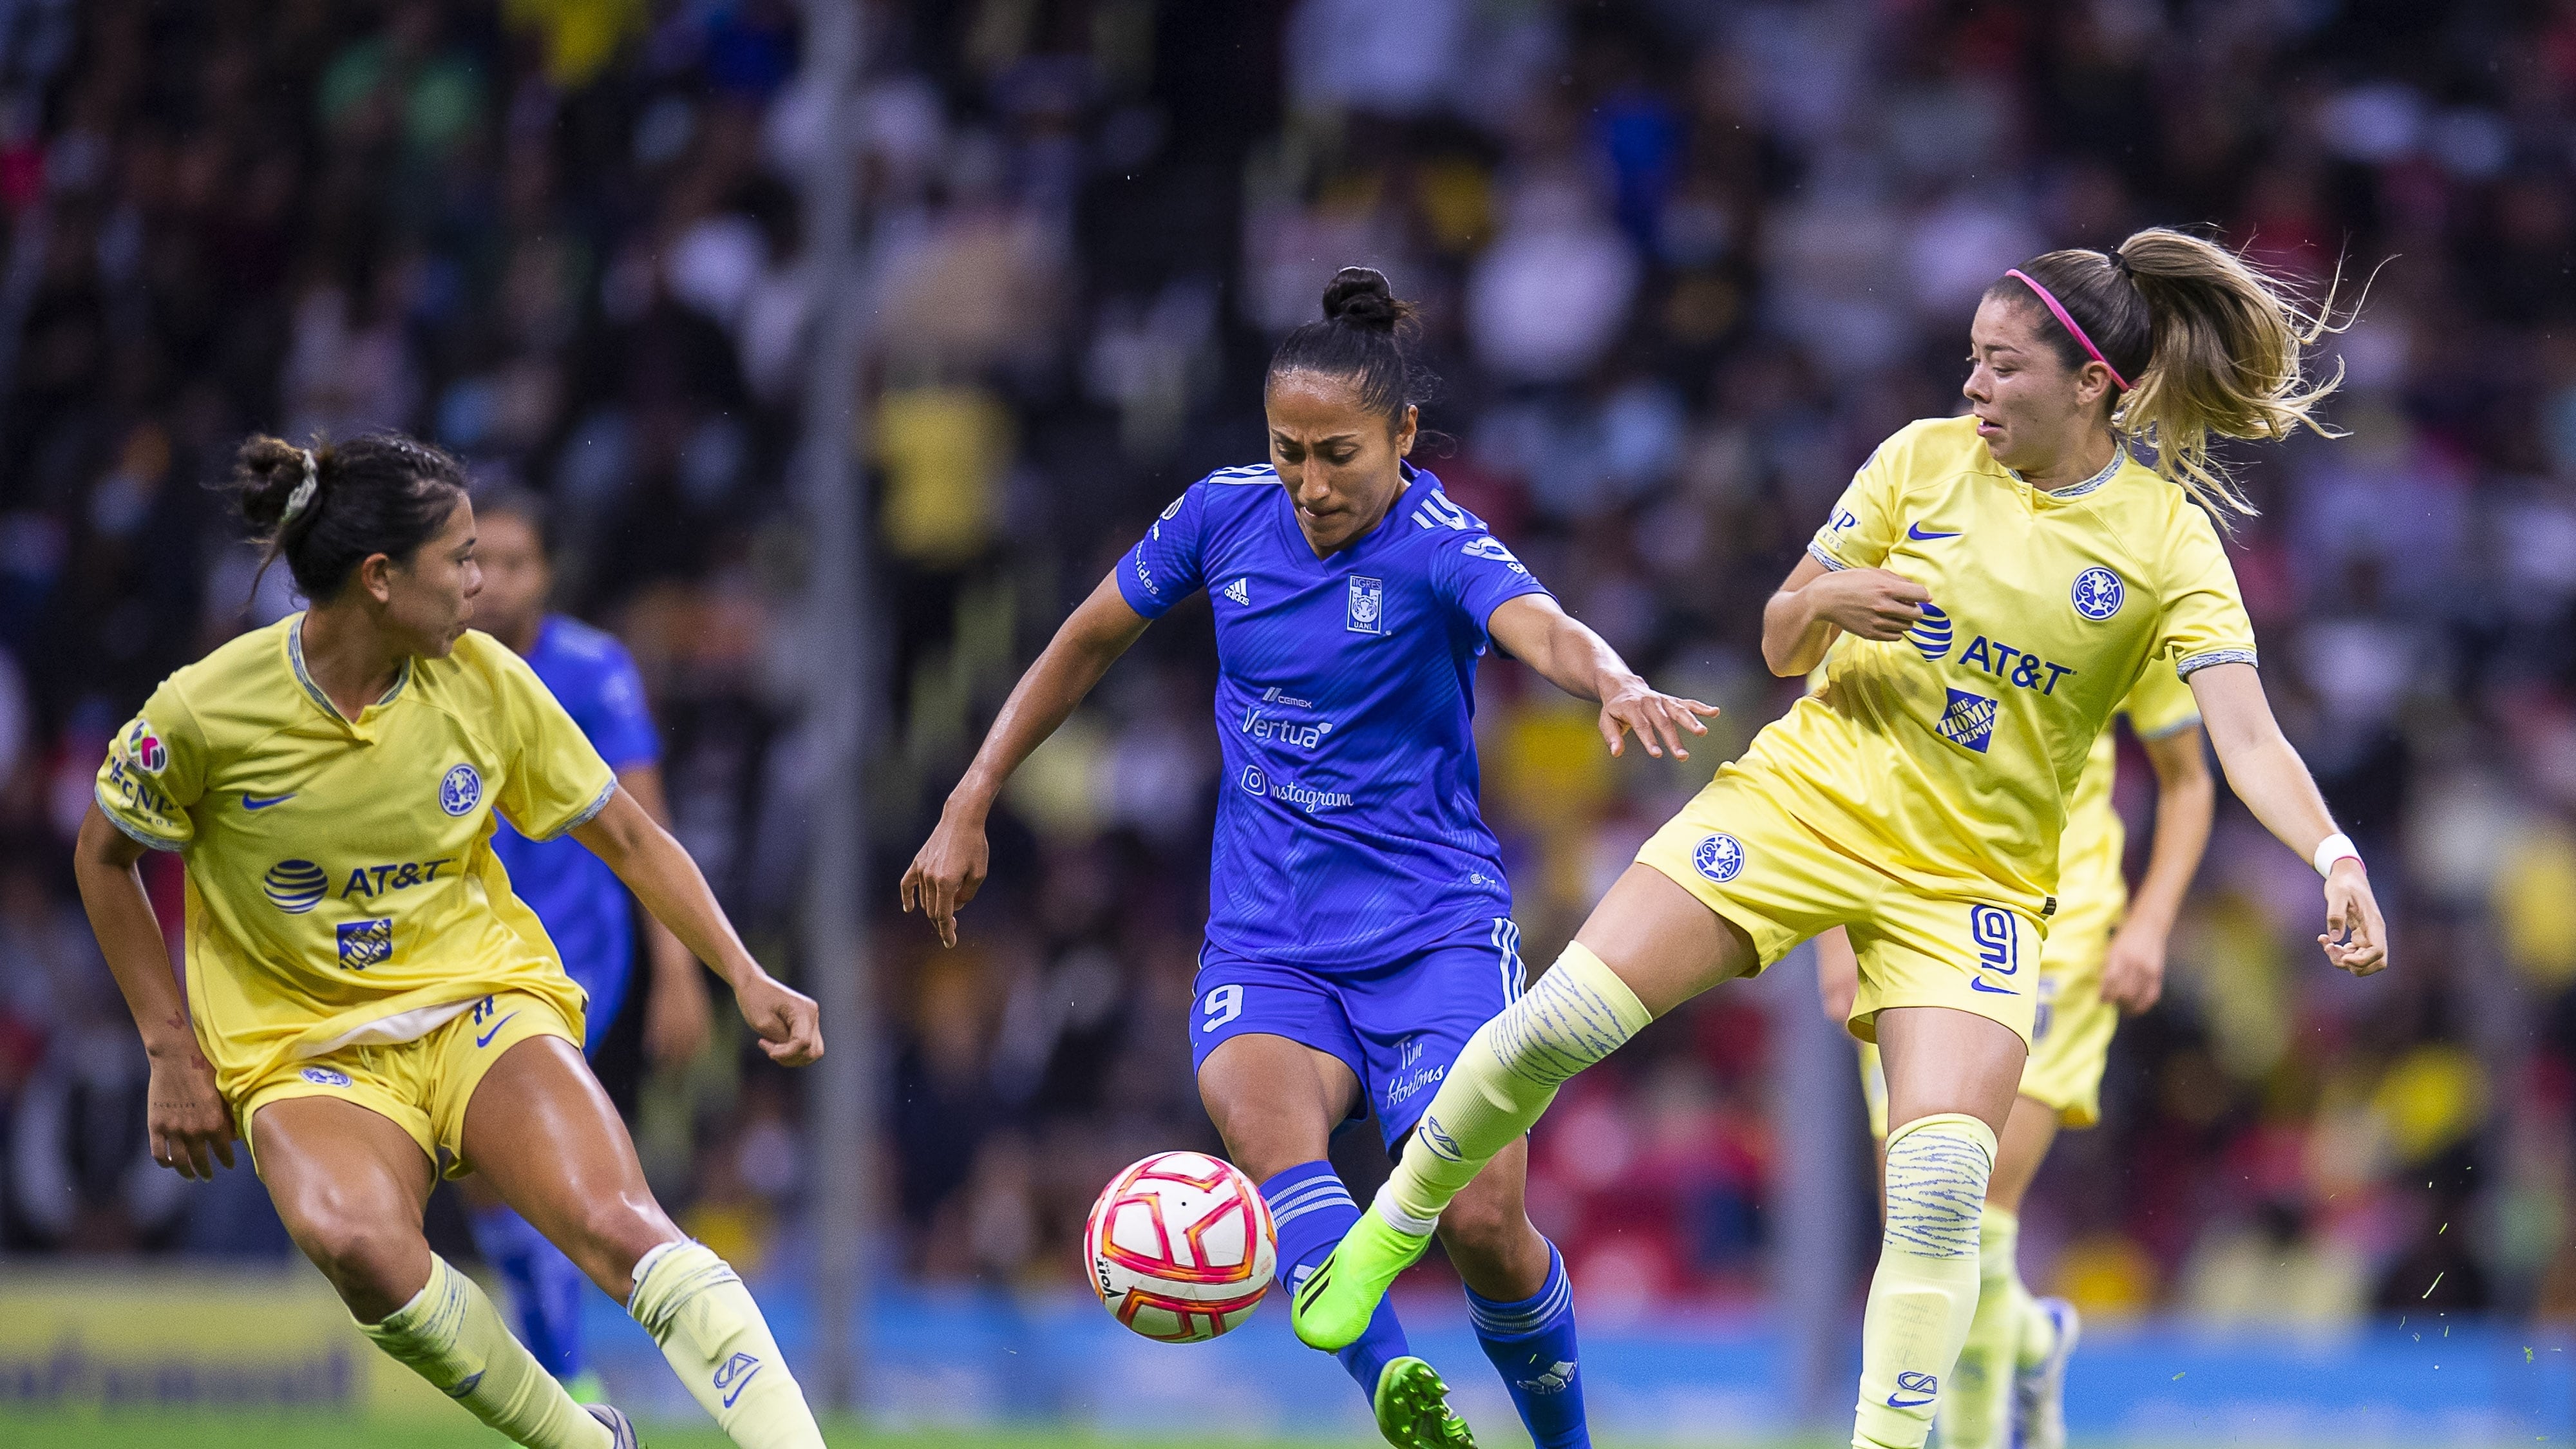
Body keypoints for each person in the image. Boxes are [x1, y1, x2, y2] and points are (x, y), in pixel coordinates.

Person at [1289, 231, 2390, 1449]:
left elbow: (2248, 740)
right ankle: (1384, 1236)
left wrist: (2335, 856)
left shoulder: (2167, 541)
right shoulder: (1921, 459)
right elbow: (1779, 641)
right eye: (1971, 357)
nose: (1973, 385)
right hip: (1804, 806)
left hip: (1971, 883)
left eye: (2003, 365)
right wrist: (1828, 599)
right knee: (1557, 1024)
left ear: (2092, 384)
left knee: (1940, 1195)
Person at [902, 267, 1713, 1449]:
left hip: (1432, 933)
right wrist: (971, 795)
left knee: (1483, 1222)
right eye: (1289, 451)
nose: (1312, 484)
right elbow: (1083, 641)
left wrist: (1614, 678)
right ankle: (1394, 1388)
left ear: (1403, 436)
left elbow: (1539, 623)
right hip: (1268, 940)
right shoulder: (1220, 515)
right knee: (1268, 1131)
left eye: (1339, 455)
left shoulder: (1439, 544)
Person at [74, 433, 829, 1449]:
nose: (483, 585)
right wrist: (170, 1046)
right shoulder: (204, 710)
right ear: (381, 578)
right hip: (301, 1045)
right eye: (463, 559)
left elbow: (631, 835)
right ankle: (584, 1440)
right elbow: (103, 854)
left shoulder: (489, 679)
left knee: (619, 1225)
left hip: (480, 1001)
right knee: (356, 1242)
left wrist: (741, 972)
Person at [1816, 649, 2212, 1449]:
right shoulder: (1903, 579)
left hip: (2053, 931)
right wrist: (1832, 934)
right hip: (1909, 924)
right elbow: (1829, 752)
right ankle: (2030, 1342)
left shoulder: (2128, 594)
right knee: (1919, 1220)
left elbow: (2188, 779)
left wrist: (2149, 922)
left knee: (1972, 1206)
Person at [457, 488, 715, 1403]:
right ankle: (555, 1353)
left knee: (521, 1144)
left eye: (515, 562)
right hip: (463, 947)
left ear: (548, 574)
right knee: (478, 1169)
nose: (494, 581)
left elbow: (646, 824)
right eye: (478, 560)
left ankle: (567, 1374)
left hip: (573, 956)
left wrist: (677, 969)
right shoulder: (430, 668)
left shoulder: (594, 669)